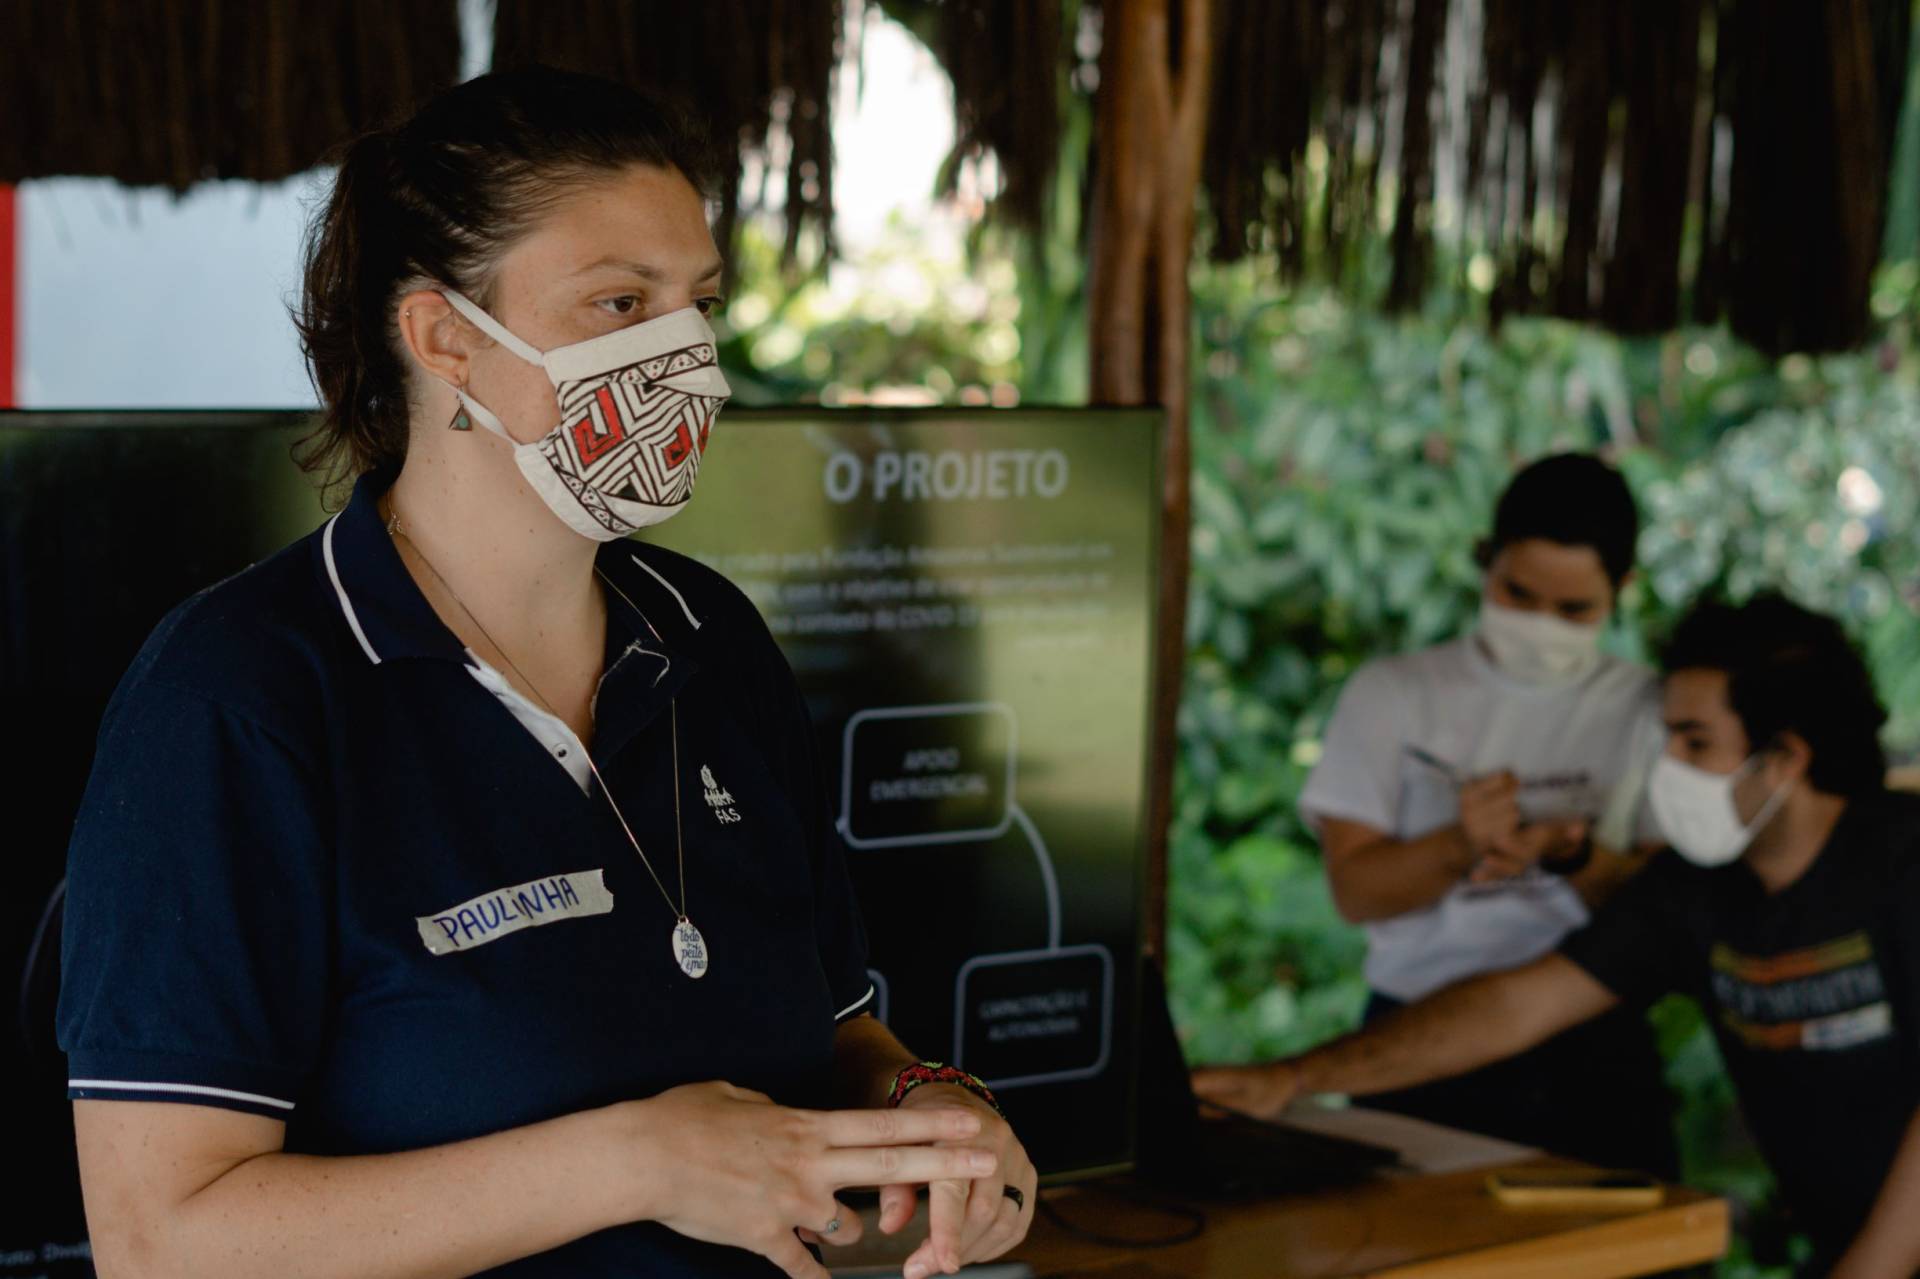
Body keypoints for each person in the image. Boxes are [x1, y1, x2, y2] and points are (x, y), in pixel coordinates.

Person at [56, 67, 1034, 1279]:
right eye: (620, 303)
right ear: (443, 339)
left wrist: (934, 1111)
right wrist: (638, 1160)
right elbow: (161, 1244)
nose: (685, 355)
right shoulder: (238, 699)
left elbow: (833, 1030)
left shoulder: (710, 638)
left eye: (699, 303)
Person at [1196, 594, 1920, 1278]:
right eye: (1665, 737)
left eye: (1694, 741)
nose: (1669, 765)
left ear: (1785, 758)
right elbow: (1514, 1005)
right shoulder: (1694, 890)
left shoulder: (1901, 862)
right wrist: (1294, 1078)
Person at [1290, 452, 1675, 1171]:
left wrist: (1572, 856)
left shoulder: (1651, 708)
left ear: (1622, 590)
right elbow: (1357, 890)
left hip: (1589, 1041)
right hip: (1414, 1045)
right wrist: (1459, 842)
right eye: (1519, 594)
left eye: (1573, 610)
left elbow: (1663, 913)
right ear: (1485, 560)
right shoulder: (1394, 694)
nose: (1539, 625)